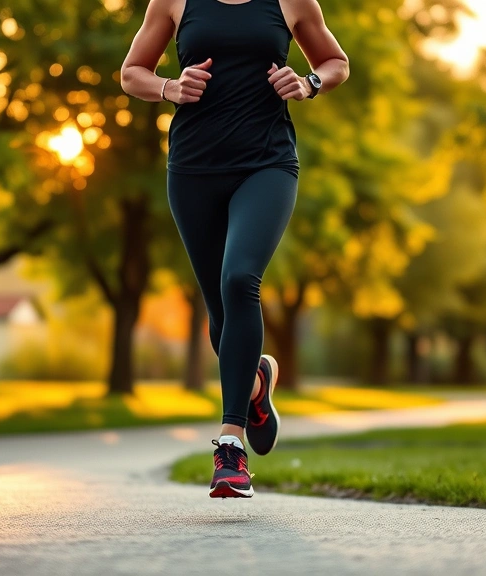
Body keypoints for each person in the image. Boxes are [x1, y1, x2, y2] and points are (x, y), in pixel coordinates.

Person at [120, 0, 349, 498]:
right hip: (193, 169)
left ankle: (231, 448)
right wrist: (169, 88)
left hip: (267, 163)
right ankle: (255, 386)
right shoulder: (174, 2)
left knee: (239, 279)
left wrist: (309, 83)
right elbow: (131, 72)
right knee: (221, 317)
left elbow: (337, 63)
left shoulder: (290, 2)